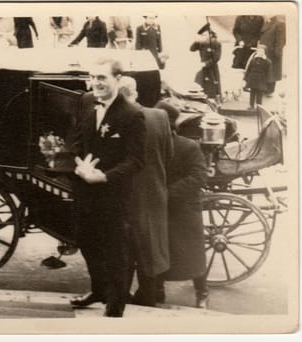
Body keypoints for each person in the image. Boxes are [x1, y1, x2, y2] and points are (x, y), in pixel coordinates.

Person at [69, 58, 146, 317]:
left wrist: (103, 177)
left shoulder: (133, 114)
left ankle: (115, 306)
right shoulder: (87, 102)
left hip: (114, 196)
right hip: (85, 191)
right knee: (87, 242)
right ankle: (98, 290)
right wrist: (79, 163)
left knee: (115, 250)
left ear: (118, 79)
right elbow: (78, 139)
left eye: (102, 77)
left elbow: (136, 161)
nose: (96, 83)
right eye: (93, 77)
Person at [119, 77, 173, 307]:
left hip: (126, 193)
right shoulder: (160, 116)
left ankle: (121, 294)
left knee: (125, 248)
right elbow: (168, 154)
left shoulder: (118, 119)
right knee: (150, 246)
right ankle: (149, 295)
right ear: (136, 93)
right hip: (154, 191)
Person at [154, 101, 209, 309]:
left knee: (193, 253)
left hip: (184, 208)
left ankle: (202, 292)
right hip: (161, 208)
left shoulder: (188, 146)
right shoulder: (152, 146)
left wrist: (167, 193)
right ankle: (158, 289)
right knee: (159, 250)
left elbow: (198, 177)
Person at [190, 26, 222, 100]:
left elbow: (216, 58)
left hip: (212, 68)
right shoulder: (202, 43)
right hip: (202, 68)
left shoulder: (215, 43)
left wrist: (206, 63)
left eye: (205, 35)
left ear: (210, 35)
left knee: (212, 88)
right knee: (199, 84)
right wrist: (197, 41)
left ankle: (213, 100)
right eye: (203, 35)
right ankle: (200, 99)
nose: (204, 37)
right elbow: (191, 49)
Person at [258, 15, 286, 96]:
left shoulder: (279, 24)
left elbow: (281, 40)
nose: (265, 14)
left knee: (272, 72)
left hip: (273, 53)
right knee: (265, 70)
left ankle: (270, 91)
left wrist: (277, 52)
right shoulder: (265, 22)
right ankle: (264, 89)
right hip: (264, 50)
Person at [244, 44, 273, 110]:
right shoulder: (253, 60)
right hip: (253, 78)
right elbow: (248, 69)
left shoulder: (267, 62)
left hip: (261, 79)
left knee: (259, 94)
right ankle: (251, 105)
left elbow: (269, 72)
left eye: (262, 52)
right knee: (252, 93)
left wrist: (268, 81)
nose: (260, 53)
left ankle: (259, 107)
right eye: (258, 51)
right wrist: (246, 78)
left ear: (264, 52)